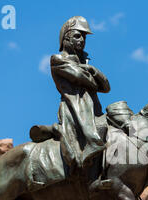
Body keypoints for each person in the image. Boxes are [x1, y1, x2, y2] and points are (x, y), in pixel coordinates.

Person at [30, 16, 110, 172]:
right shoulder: (58, 59)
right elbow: (83, 79)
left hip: (93, 108)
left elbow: (106, 87)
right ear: (66, 37)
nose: (82, 40)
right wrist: (89, 74)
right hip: (75, 109)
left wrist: (93, 70)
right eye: (77, 35)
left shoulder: (85, 63)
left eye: (84, 36)